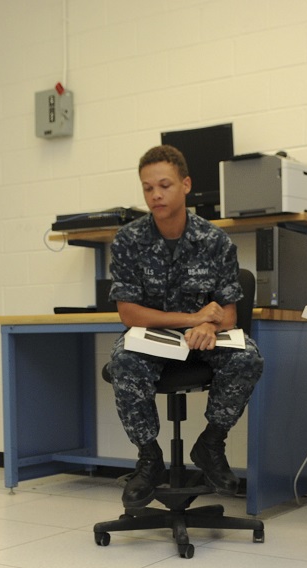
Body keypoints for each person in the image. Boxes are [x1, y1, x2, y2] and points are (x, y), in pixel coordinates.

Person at [106, 145, 264, 507]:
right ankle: (149, 460)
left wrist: (210, 326)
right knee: (124, 361)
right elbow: (129, 313)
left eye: (164, 185)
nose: (156, 195)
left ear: (186, 184)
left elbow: (228, 313)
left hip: (203, 342)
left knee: (248, 357)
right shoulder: (129, 241)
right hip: (151, 339)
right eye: (148, 188)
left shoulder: (214, 241)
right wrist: (194, 319)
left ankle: (211, 444)